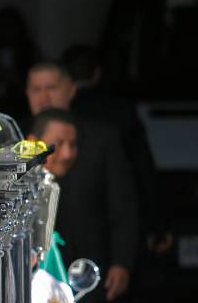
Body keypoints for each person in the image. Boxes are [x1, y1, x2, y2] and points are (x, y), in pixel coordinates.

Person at [26, 62, 138, 303]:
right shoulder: (13, 148)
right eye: (36, 89)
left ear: (71, 90)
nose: (44, 97)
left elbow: (122, 204)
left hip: (87, 266)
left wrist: (122, 260)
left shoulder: (101, 138)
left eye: (51, 88)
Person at [62, 44, 165, 255]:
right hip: (113, 222)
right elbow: (143, 170)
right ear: (97, 74)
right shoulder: (121, 113)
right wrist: (158, 225)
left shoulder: (56, 117)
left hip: (66, 222)